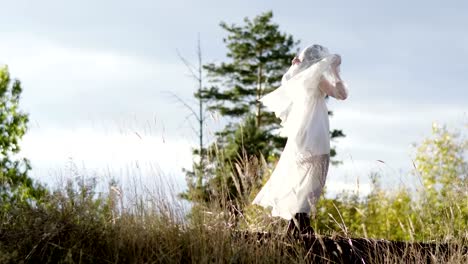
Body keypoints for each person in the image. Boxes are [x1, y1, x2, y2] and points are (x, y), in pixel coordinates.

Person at [252, 44, 348, 237]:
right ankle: (300, 221)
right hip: (315, 130)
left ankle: (297, 222)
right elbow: (341, 94)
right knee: (315, 176)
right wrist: (335, 70)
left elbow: (288, 78)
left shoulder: (296, 77)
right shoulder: (316, 78)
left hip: (301, 132)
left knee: (302, 176)